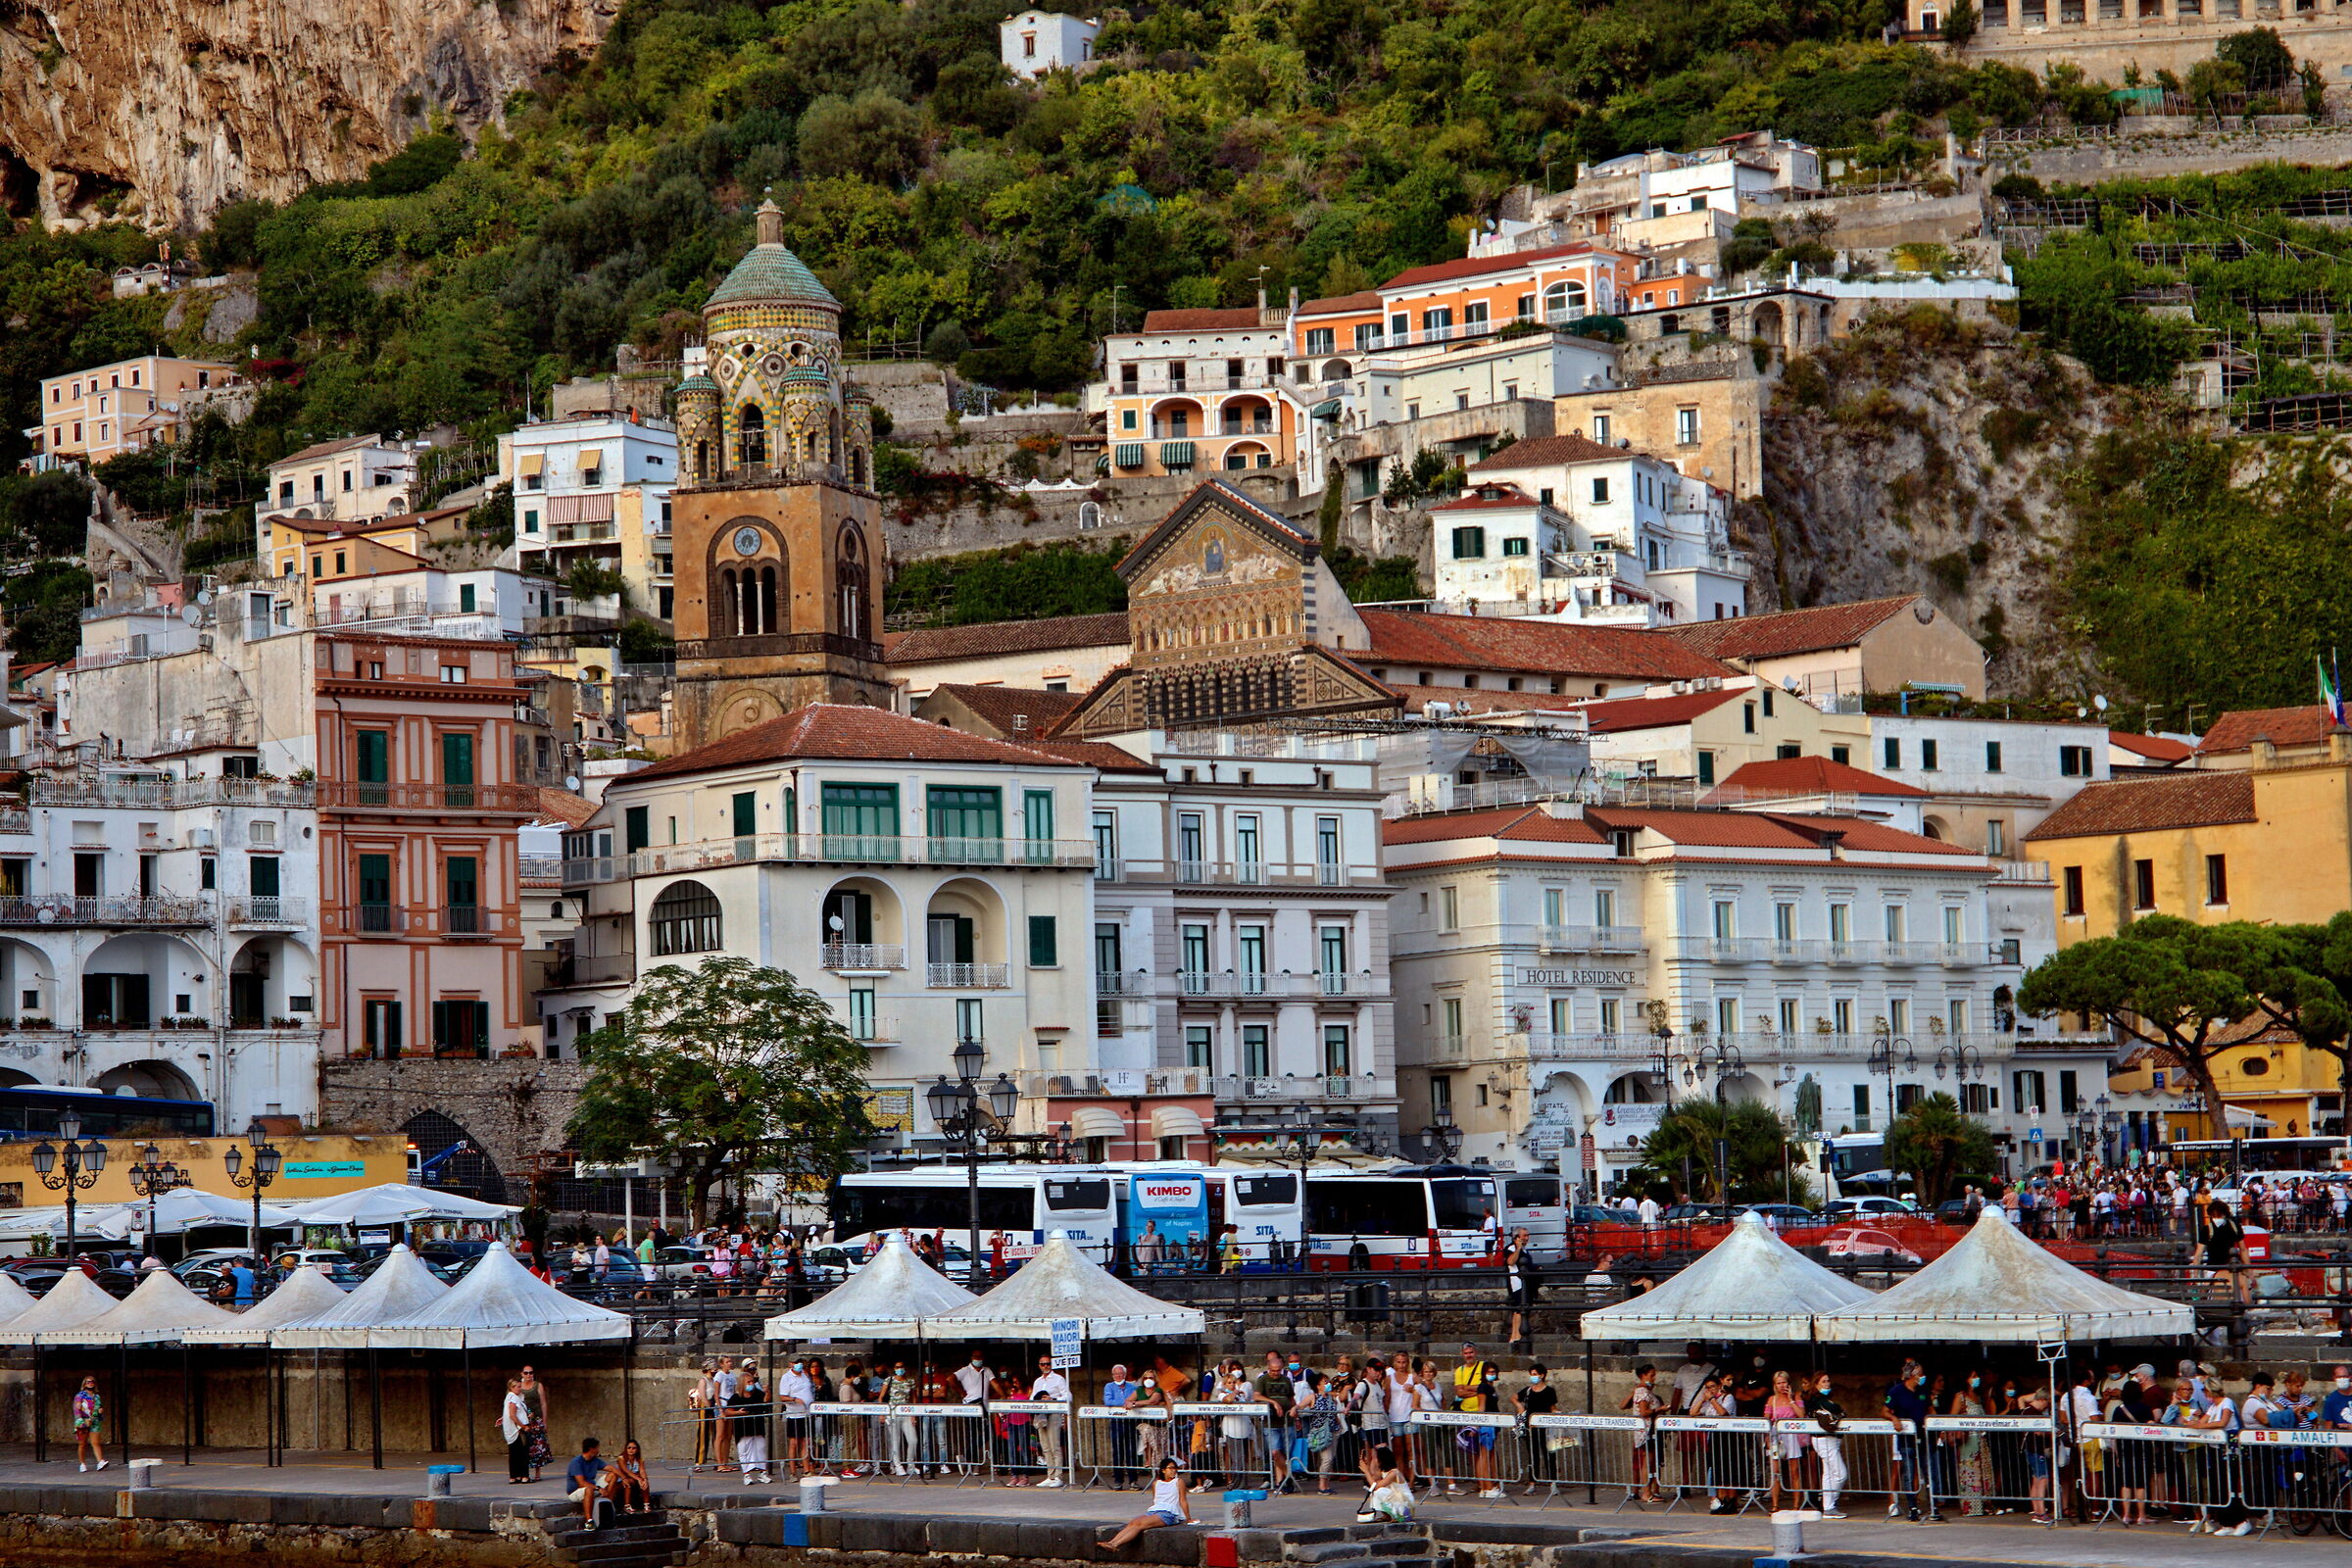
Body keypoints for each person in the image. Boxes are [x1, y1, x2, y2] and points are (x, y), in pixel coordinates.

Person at [1102, 1457, 1194, 1551]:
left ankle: (1116, 1544)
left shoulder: (1178, 1482)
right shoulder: (1156, 1483)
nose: (1173, 1470)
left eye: (1175, 1468)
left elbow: (1183, 1500)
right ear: (1163, 1470)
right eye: (1170, 1468)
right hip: (1155, 1510)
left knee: (1140, 1524)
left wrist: (1188, 1518)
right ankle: (1111, 1542)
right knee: (1133, 1522)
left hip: (1169, 1512)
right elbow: (1156, 1499)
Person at [1450, 1344, 1500, 1499]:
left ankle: (1488, 1485)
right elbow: (1459, 1391)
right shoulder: (1461, 1371)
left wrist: (1469, 1388)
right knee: (1480, 1454)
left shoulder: (1483, 1371)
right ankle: (1485, 1486)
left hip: (1484, 1418)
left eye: (1471, 1352)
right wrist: (1477, 1389)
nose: (1469, 1355)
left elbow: (1468, 1389)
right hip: (1475, 1416)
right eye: (1466, 1353)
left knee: (1486, 1454)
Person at [1884, 1363, 1930, 1521]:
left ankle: (1933, 1505)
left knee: (1927, 1471)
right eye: (1920, 1374)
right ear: (1912, 1375)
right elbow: (1884, 1410)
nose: (1923, 1377)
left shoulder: (1923, 1391)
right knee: (1908, 1473)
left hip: (1923, 1437)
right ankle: (1912, 1507)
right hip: (1906, 1439)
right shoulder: (1896, 1391)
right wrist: (1894, 1418)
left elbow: (1929, 1409)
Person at [1804, 1372, 1846, 1520]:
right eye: (1823, 1381)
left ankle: (1828, 1507)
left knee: (1828, 1474)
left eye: (1828, 1381)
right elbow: (1835, 1408)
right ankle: (1828, 1501)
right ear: (1816, 1384)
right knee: (1841, 1473)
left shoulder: (1823, 1399)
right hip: (1824, 1440)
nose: (1827, 1384)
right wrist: (1840, 1410)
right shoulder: (1816, 1399)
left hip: (1831, 1440)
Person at [1766, 1370, 1809, 1513]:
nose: (1781, 1385)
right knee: (1776, 1472)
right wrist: (1767, 1438)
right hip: (1776, 1436)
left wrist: (1791, 1399)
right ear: (1774, 1385)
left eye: (1784, 1382)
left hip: (1792, 1435)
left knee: (1794, 1471)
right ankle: (1775, 1505)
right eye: (1778, 1383)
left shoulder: (1796, 1396)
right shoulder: (1771, 1399)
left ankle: (1796, 1505)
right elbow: (1766, 1419)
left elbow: (1801, 1414)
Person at [1254, 1350, 1297, 1494]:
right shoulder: (1263, 1379)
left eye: (1278, 1371)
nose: (1275, 1373)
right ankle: (1289, 1478)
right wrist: (1274, 1403)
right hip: (1271, 1422)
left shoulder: (1286, 1380)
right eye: (1273, 1371)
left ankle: (1281, 1482)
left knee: (1286, 1453)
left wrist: (1295, 1412)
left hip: (1287, 1421)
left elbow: (1291, 1398)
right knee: (1275, 1452)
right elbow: (1257, 1396)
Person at [1623, 1362, 1665, 1504]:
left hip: (1649, 1430)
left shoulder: (1646, 1391)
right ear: (1643, 1376)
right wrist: (1659, 1409)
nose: (1654, 1378)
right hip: (1646, 1431)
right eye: (1651, 1375)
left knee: (1650, 1461)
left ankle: (1650, 1490)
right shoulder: (1642, 1392)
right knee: (1646, 1462)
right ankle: (1646, 1492)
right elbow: (1644, 1412)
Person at [1517, 1364, 1559, 1494]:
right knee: (1532, 1455)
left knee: (1549, 1455)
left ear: (1542, 1375)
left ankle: (1553, 1483)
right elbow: (1514, 1397)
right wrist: (1520, 1407)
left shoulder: (1549, 1391)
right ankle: (1532, 1483)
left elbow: (1553, 1408)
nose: (1533, 1377)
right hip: (1531, 1428)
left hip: (1546, 1428)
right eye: (1531, 1374)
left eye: (1535, 1374)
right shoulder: (1528, 1390)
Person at [1032, 1352, 1070, 1489]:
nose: (1046, 1366)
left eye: (1048, 1363)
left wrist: (1052, 1399)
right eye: (1043, 1364)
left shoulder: (1059, 1379)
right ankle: (1050, 1475)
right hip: (1041, 1413)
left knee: (1055, 1445)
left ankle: (1058, 1476)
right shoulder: (1038, 1381)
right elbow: (1032, 1397)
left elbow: (1067, 1396)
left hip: (1053, 1412)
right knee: (1045, 1446)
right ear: (1039, 1366)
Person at [732, 1365, 773, 1485]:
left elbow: (766, 1401)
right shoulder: (736, 1397)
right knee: (744, 1451)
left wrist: (767, 1392)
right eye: (748, 1382)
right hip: (743, 1429)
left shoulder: (757, 1394)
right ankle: (747, 1474)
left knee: (760, 1449)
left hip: (757, 1427)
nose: (751, 1384)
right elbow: (728, 1411)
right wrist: (738, 1413)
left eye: (752, 1381)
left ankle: (762, 1472)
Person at [775, 1356, 813, 1478]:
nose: (799, 1365)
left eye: (800, 1362)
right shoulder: (786, 1378)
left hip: (806, 1413)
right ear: (791, 1364)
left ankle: (806, 1469)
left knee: (805, 1441)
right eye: (796, 1363)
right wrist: (794, 1399)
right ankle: (792, 1471)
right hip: (794, 1414)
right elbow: (783, 1396)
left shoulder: (805, 1375)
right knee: (794, 1442)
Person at [884, 1357, 921, 1477]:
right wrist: (882, 1413)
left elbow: (914, 1398)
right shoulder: (889, 1380)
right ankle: (897, 1465)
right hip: (893, 1412)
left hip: (906, 1411)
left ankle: (911, 1465)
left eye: (901, 1367)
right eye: (897, 1367)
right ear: (894, 1369)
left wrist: (913, 1414)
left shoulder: (910, 1381)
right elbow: (882, 1396)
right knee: (896, 1441)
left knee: (913, 1440)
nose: (899, 1369)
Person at [1502, 1228, 1538, 1349]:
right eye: (1524, 1236)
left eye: (1528, 1235)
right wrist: (1518, 1248)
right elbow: (1510, 1262)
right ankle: (1515, 1336)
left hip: (1526, 1284)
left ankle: (1516, 1336)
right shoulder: (1511, 1249)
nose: (1527, 1238)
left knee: (1522, 1310)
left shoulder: (1525, 1250)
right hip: (1517, 1284)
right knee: (1519, 1310)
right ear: (1517, 1237)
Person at [1362, 1443, 1414, 1523]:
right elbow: (1372, 1480)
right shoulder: (1383, 1471)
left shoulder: (1393, 1473)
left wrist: (1366, 1472)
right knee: (1375, 1492)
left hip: (1404, 1501)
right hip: (1397, 1499)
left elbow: (1375, 1486)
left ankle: (1398, 1515)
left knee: (1379, 1491)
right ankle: (1387, 1515)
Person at [518, 1366, 553, 1482]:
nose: (528, 1375)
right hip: (523, 1419)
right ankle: (523, 1472)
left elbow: (543, 1403)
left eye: (531, 1373)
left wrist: (544, 1420)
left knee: (538, 1446)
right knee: (524, 1445)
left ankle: (538, 1471)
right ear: (522, 1374)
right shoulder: (519, 1386)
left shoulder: (538, 1385)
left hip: (536, 1419)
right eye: (526, 1373)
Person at [566, 1438, 611, 1524]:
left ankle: (609, 1503)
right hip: (576, 1491)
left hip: (592, 1488)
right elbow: (581, 1483)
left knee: (612, 1475)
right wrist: (598, 1488)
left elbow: (611, 1468)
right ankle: (589, 1521)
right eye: (597, 1448)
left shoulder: (595, 1460)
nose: (598, 1450)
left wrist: (624, 1478)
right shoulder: (576, 1462)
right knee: (589, 1489)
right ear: (591, 1449)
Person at [499, 1377, 533, 1484]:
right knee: (522, 1453)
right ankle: (524, 1476)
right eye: (518, 1387)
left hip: (513, 1429)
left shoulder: (511, 1397)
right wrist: (523, 1426)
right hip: (517, 1430)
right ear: (511, 1387)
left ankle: (515, 1476)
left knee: (515, 1453)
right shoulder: (514, 1398)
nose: (520, 1389)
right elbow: (513, 1415)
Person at [608, 1438, 651, 1515]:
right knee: (629, 1482)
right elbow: (626, 1471)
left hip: (633, 1479)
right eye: (629, 1448)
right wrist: (638, 1479)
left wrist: (644, 1479)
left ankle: (646, 1504)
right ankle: (627, 1505)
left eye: (634, 1448)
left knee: (644, 1482)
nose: (631, 1450)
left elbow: (642, 1471)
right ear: (626, 1449)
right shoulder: (621, 1458)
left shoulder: (639, 1459)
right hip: (620, 1481)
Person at [72, 1375, 106, 1473]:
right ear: (84, 1384)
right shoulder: (80, 1395)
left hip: (95, 1421)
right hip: (83, 1421)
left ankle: (100, 1462)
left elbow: (99, 1407)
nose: (90, 1383)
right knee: (82, 1444)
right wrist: (80, 1421)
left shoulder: (97, 1396)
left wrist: (100, 1411)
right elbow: (77, 1409)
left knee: (96, 1443)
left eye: (92, 1382)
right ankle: (82, 1463)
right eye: (88, 1382)